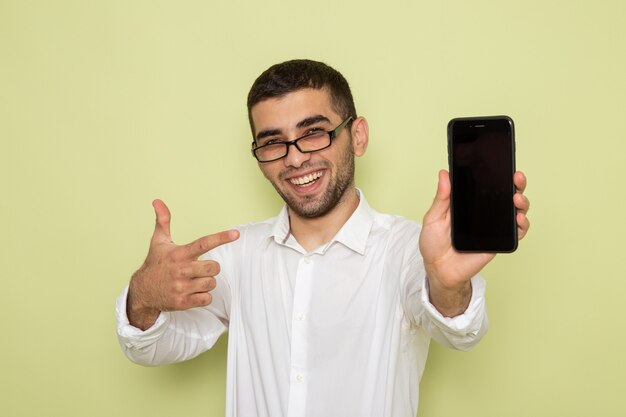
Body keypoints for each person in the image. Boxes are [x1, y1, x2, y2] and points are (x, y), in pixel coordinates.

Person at [116, 59, 530, 417]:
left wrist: (447, 285)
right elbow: (151, 348)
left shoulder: (408, 249)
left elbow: (462, 333)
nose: (295, 157)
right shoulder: (235, 256)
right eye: (273, 142)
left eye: (314, 132)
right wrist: (143, 297)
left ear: (358, 135)